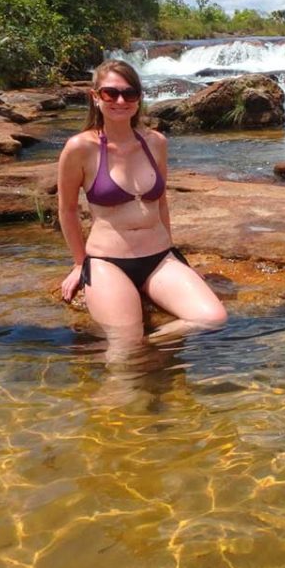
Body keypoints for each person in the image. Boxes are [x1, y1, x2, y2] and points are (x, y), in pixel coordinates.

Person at [57, 59, 226, 356]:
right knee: (124, 345)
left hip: (159, 258)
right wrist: (78, 262)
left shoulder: (155, 142)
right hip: (108, 262)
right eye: (111, 93)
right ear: (95, 97)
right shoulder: (80, 148)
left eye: (129, 93)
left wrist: (175, 255)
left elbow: (160, 201)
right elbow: (67, 210)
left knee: (212, 318)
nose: (120, 101)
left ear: (138, 99)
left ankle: (148, 347)